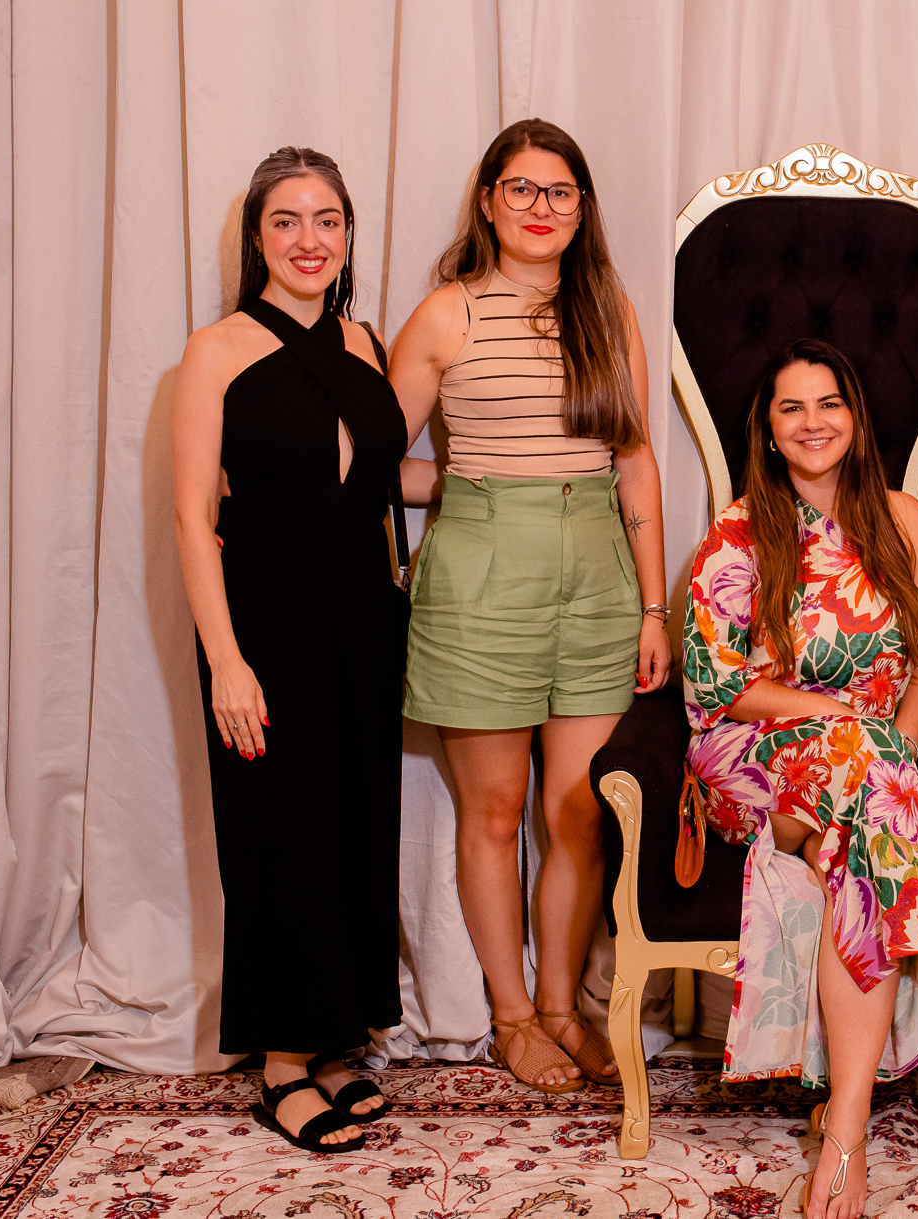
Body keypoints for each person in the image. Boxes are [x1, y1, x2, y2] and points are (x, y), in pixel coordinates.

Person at [685, 339, 918, 1219]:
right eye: (791, 408)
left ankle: (845, 1132)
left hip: (862, 776)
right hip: (750, 758)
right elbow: (717, 682)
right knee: (857, 759)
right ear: (768, 431)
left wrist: (891, 752)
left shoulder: (903, 519)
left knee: (853, 850)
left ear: (855, 418)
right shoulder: (739, 528)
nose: (812, 422)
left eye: (829, 403)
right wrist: (842, 722)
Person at [387, 119, 671, 1093]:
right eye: (521, 188)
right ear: (488, 201)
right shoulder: (447, 315)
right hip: (480, 577)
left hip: (596, 578)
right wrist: (471, 482)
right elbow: (381, 459)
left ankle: (561, 1007)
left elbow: (635, 461)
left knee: (579, 811)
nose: (540, 207)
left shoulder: (609, 311)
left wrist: (653, 609)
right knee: (495, 808)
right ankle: (510, 1017)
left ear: (582, 209)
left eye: (559, 191)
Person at [172, 147, 407, 1153]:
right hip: (263, 624)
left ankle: (334, 1039)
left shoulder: (366, 341)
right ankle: (279, 1063)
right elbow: (192, 517)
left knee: (353, 822)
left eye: (328, 220)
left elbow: (373, 479)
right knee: (280, 830)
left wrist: (513, 478)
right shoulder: (216, 350)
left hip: (364, 619)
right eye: (287, 221)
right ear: (257, 237)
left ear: (348, 233)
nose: (310, 240)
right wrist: (226, 658)